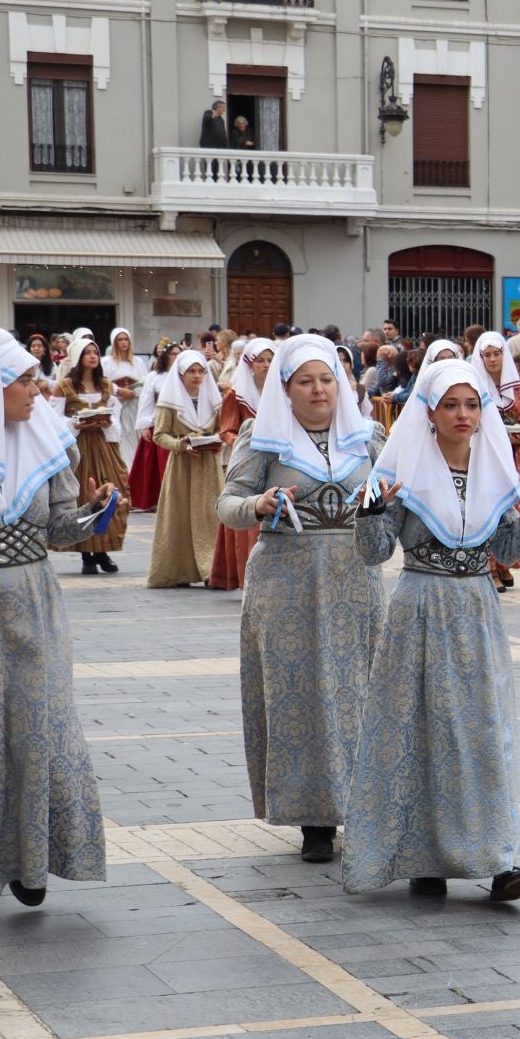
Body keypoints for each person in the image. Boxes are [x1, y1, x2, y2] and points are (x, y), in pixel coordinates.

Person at [344, 360, 520, 899]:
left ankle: (502, 859)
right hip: (419, 610)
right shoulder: (402, 472)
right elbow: (373, 553)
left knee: (484, 733)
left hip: (477, 612)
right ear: (429, 411)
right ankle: (425, 855)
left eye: (472, 404)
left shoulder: (494, 469)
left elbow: (507, 551)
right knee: (421, 730)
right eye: (451, 405)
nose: (463, 415)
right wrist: (371, 511)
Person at [219, 336, 386, 866]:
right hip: (286, 584)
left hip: (356, 583)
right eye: (305, 382)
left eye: (327, 379)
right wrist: (258, 503)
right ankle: (314, 819)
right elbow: (227, 504)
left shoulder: (368, 438)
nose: (318, 391)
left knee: (358, 693)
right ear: (285, 390)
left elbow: (394, 495)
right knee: (301, 697)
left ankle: (363, 806)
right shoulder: (262, 439)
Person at [0, 330, 111, 935]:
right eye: (24, 380)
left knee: (38, 728)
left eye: (36, 378)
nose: (37, 390)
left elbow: (59, 530)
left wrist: (95, 514)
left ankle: (31, 860)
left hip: (34, 604)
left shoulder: (47, 441)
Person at [146, 349, 226, 588]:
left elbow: (225, 428)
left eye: (200, 371)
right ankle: (178, 570)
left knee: (210, 516)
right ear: (180, 374)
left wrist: (217, 439)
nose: (197, 376)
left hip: (209, 466)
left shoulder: (213, 399)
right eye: (191, 371)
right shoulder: (170, 401)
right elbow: (159, 435)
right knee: (179, 517)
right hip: (182, 468)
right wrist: (180, 445)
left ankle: (212, 569)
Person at [53, 338, 130, 575]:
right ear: (78, 357)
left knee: (113, 493)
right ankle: (87, 554)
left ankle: (102, 550)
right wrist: (76, 424)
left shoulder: (107, 385)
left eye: (95, 352)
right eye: (87, 353)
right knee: (81, 496)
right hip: (77, 448)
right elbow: (53, 420)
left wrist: (106, 422)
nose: (93, 356)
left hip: (104, 446)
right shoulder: (64, 386)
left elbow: (116, 420)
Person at [208, 338, 275, 592]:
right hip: (248, 463)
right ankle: (249, 577)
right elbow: (227, 430)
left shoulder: (283, 391)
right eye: (261, 361)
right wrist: (246, 441)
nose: (267, 365)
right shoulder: (235, 395)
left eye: (270, 360)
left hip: (276, 463)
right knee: (248, 520)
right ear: (249, 364)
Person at [470, 332, 520, 591]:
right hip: (486, 455)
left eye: (497, 354)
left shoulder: (518, 388)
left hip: (513, 454)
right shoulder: (475, 386)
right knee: (490, 509)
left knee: (513, 508)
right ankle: (491, 567)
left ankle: (507, 562)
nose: (493, 359)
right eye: (488, 355)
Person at [128, 342, 176, 512]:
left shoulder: (184, 375)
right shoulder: (155, 376)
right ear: (165, 356)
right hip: (159, 423)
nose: (176, 357)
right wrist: (144, 424)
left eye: (179, 354)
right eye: (173, 354)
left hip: (179, 426)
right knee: (155, 465)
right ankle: (155, 500)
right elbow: (146, 401)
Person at [104, 327, 148, 464]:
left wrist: (134, 392)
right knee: (121, 439)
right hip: (117, 406)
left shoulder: (138, 362)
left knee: (134, 439)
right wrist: (120, 393)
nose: (123, 342)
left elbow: (146, 384)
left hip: (134, 407)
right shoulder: (106, 362)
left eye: (125, 339)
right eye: (120, 340)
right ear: (114, 343)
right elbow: (104, 384)